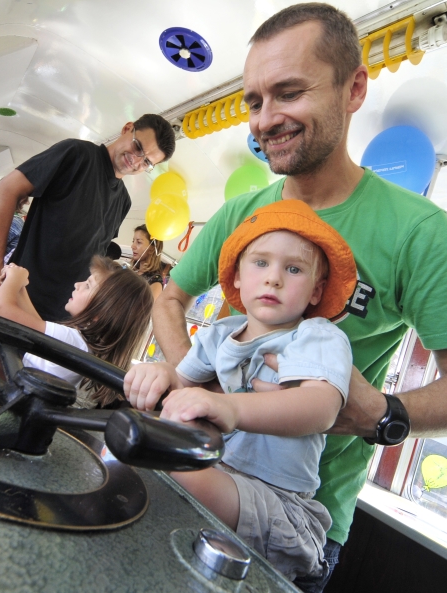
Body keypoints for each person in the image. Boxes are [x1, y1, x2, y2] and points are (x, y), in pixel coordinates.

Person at [150, 4, 447, 591]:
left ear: (354, 89)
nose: (266, 120)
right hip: (201, 459)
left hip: (296, 508)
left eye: (289, 93)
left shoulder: (417, 230)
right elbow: (170, 300)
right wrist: (187, 381)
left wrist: (384, 415)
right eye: (255, 101)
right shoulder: (242, 212)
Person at [125, 200, 356, 581]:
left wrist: (231, 406)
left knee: (172, 465)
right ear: (235, 278)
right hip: (217, 469)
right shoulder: (218, 333)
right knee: (148, 449)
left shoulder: (316, 336)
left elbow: (321, 406)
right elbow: (186, 381)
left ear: (316, 292)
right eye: (260, 263)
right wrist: (163, 373)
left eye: (294, 269)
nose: (274, 278)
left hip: (277, 500)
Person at [0, 114, 177, 320]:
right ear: (127, 128)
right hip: (17, 297)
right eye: (137, 147)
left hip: (62, 319)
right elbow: (5, 190)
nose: (136, 161)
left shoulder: (123, 201)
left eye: (146, 162)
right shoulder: (77, 154)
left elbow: (93, 256)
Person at [0, 257, 153, 408]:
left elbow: (0, 308)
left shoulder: (73, 340)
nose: (77, 284)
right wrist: (20, 286)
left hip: (16, 403)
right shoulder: (81, 343)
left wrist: (14, 279)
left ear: (102, 312)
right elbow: (36, 324)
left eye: (88, 285)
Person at [130, 224, 165, 299]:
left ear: (152, 248)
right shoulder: (131, 270)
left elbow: (146, 310)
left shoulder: (155, 282)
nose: (132, 246)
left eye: (139, 242)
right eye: (133, 241)